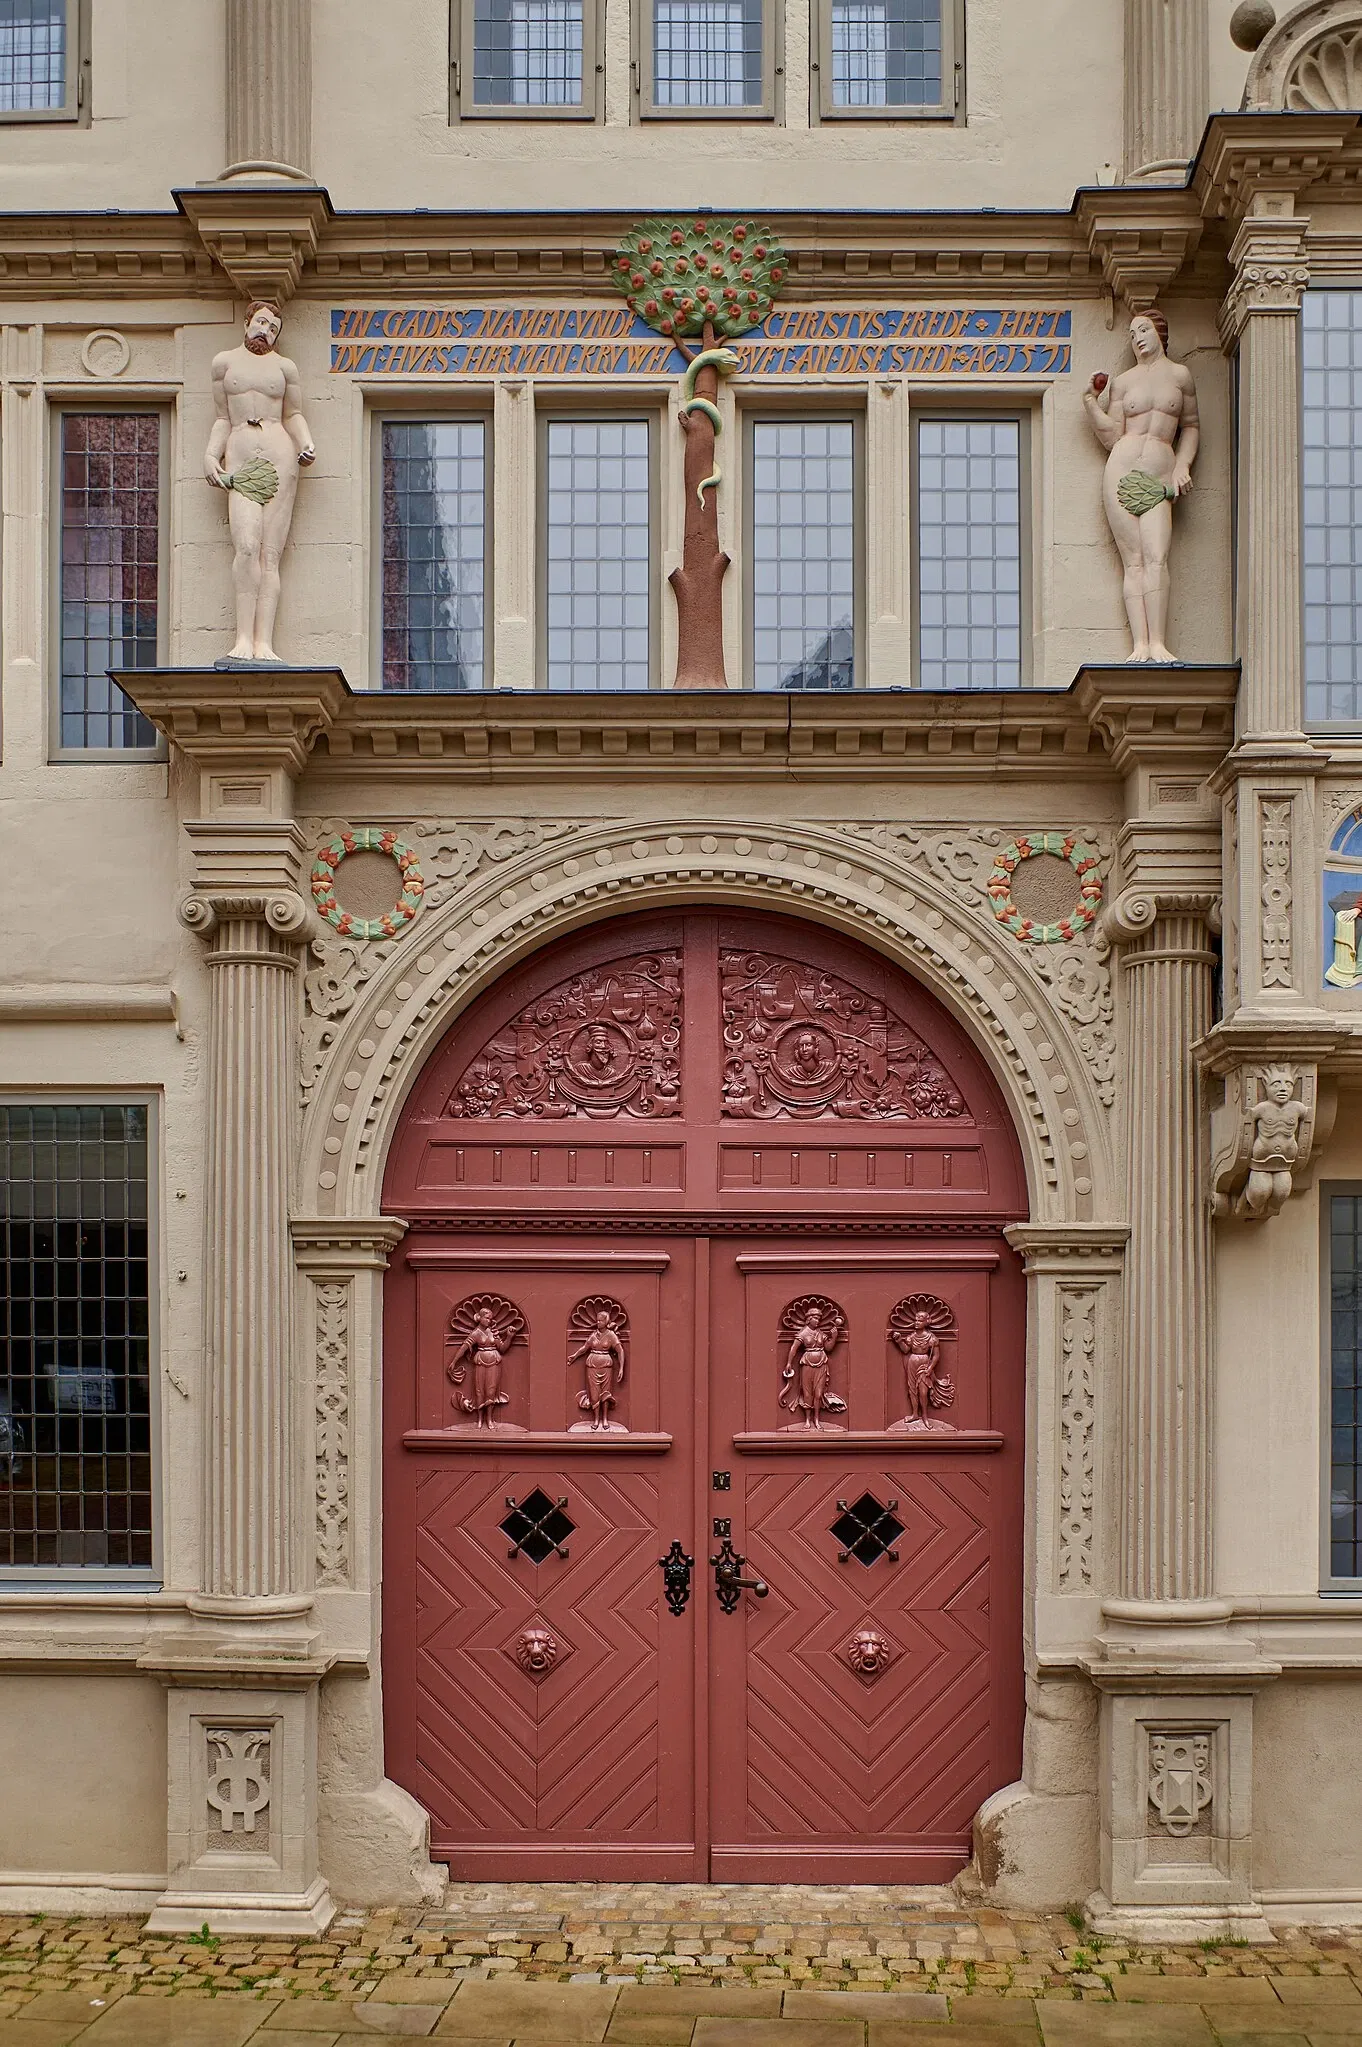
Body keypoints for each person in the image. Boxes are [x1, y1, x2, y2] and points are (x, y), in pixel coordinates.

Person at [1083, 308, 1199, 664]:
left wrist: (1182, 465)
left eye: (1143, 330)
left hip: (1159, 474)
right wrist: (1090, 401)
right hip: (1121, 469)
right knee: (1133, 562)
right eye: (1132, 334)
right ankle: (1141, 645)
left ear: (1160, 333)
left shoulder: (1180, 376)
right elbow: (1111, 436)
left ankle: (1159, 642)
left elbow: (1192, 426)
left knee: (1157, 556)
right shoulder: (1124, 382)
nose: (1138, 339)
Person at [204, 300, 316, 662]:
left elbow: (293, 413)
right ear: (248, 321)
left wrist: (306, 442)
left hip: (280, 457)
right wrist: (211, 454)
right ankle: (242, 638)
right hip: (240, 458)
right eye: (262, 323)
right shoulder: (224, 363)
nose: (265, 331)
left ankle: (263, 642)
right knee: (247, 547)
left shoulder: (285, 367)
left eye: (273, 328)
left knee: (270, 556)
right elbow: (223, 417)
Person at [1240, 1067, 1308, 1219]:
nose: (1283, 1088)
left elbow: (1308, 1115)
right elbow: (1245, 1120)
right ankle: (1245, 1199)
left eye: (1289, 1084)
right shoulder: (1262, 1108)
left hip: (1285, 1161)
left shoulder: (1297, 1108)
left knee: (1282, 1192)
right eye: (1276, 1084)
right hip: (1261, 1160)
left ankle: (1264, 1208)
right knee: (1260, 1192)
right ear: (1265, 1085)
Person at [778, 1303, 847, 1430]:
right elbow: (794, 1348)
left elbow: (828, 1348)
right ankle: (808, 1420)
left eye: (819, 1319)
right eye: (815, 1319)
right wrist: (788, 1362)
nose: (817, 1321)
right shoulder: (803, 1333)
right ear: (809, 1319)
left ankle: (816, 1419)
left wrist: (834, 1337)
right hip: (807, 1364)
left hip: (821, 1363)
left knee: (818, 1394)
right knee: (807, 1393)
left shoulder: (820, 1333)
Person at [570, 1308, 627, 1431]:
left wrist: (621, 1368)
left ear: (606, 1322)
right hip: (592, 1366)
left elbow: (620, 1350)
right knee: (594, 1394)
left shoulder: (611, 1335)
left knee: (605, 1394)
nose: (598, 1323)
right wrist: (574, 1356)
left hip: (606, 1366)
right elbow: (584, 1348)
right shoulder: (593, 1335)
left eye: (601, 1321)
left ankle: (605, 1418)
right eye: (597, 1321)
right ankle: (596, 1419)